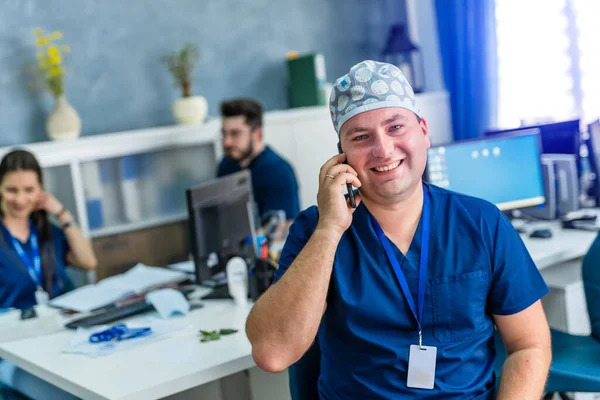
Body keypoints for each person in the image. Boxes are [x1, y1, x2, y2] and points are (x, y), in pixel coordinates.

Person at [246, 60, 552, 399]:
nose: (383, 149)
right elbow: (272, 352)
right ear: (341, 157)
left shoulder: (481, 222)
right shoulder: (313, 231)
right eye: (361, 137)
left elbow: (529, 346)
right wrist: (330, 229)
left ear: (423, 131)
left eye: (395, 128)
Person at [0, 149, 97, 399]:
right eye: (11, 190)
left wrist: (62, 213)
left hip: (59, 338)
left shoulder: (46, 231)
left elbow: (88, 262)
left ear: (40, 190)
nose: (20, 199)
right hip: (13, 348)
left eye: (29, 190)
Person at [218, 98, 300, 222]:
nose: (226, 142)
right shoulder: (225, 166)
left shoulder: (278, 172)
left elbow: (282, 230)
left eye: (235, 134)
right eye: (224, 134)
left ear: (257, 134)